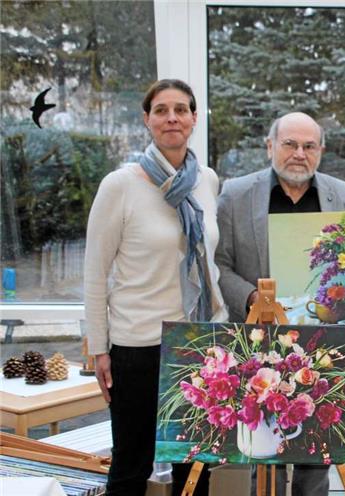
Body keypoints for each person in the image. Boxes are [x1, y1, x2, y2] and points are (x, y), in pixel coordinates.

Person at [84, 79, 227, 495]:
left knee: (194, 469)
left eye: (181, 109)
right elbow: (95, 273)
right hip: (138, 346)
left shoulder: (207, 180)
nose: (172, 118)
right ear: (146, 119)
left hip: (199, 341)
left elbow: (208, 262)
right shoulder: (120, 185)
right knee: (131, 466)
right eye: (161, 110)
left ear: (194, 119)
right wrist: (99, 348)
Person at [215, 111, 345, 495]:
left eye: (309, 146)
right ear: (270, 147)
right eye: (290, 144)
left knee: (317, 445)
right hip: (259, 338)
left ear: (321, 151)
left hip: (324, 340)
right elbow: (220, 264)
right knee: (263, 447)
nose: (300, 153)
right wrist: (252, 298)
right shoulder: (235, 193)